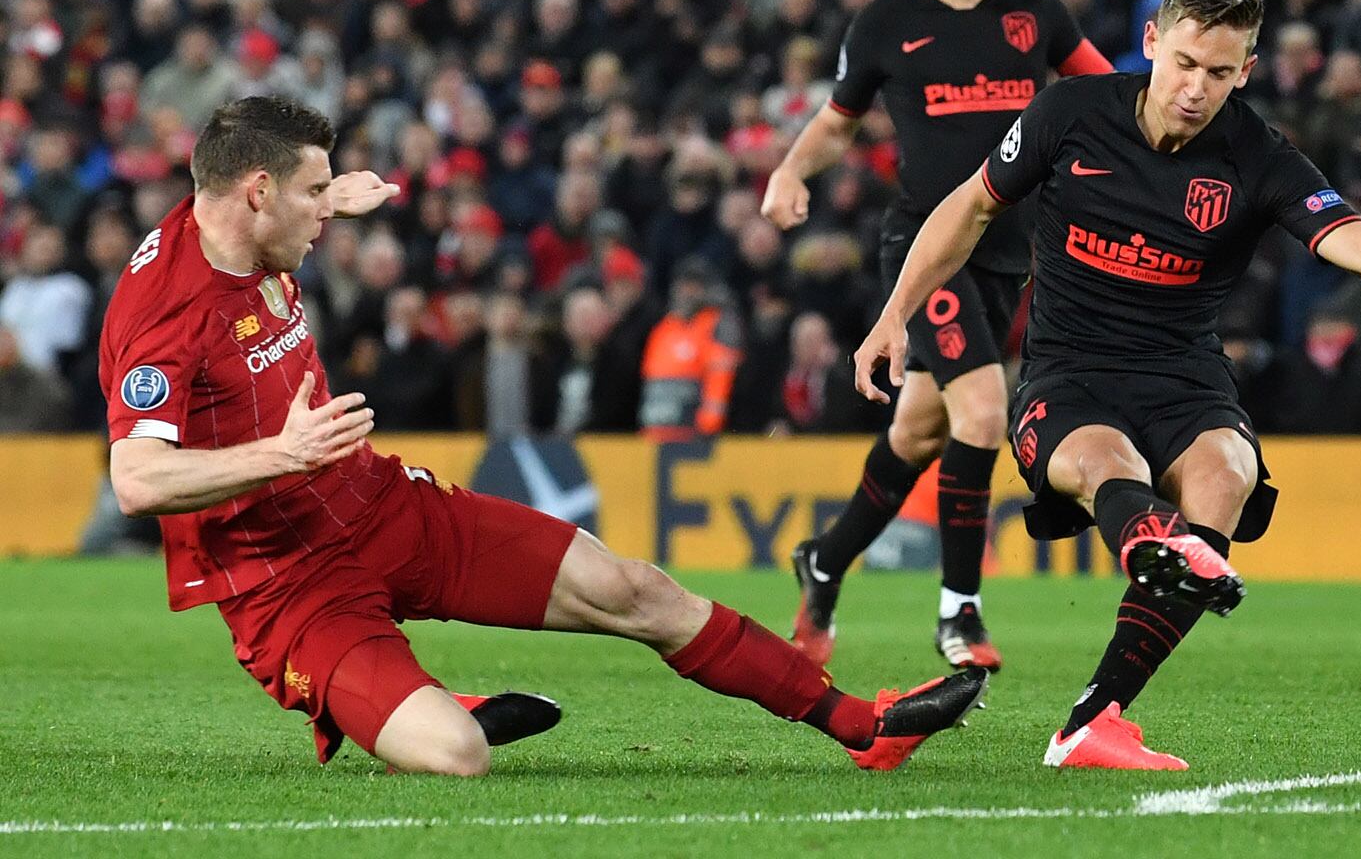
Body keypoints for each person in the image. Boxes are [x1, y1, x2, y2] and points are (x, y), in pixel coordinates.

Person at [100, 96, 985, 777]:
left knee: (631, 587)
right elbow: (139, 480)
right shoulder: (165, 316)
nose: (324, 213)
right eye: (310, 195)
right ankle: (411, 706)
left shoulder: (245, 228)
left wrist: (337, 194)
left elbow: (280, 218)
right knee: (455, 755)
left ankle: (861, 726)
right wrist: (284, 456)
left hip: (378, 508)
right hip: (285, 586)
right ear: (256, 193)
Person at [854, 0, 1361, 770]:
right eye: (1183, 63)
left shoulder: (1256, 154)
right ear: (1151, 42)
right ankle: (1153, 537)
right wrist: (893, 317)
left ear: (1246, 70)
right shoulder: (1069, 114)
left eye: (1220, 72)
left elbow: (1356, 239)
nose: (1196, 87)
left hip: (1183, 377)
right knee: (1106, 461)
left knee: (1227, 471)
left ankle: (1092, 718)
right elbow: (969, 207)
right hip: (1067, 378)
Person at [765, 0, 1109, 672]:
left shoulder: (1036, 14)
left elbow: (1110, 93)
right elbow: (837, 122)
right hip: (925, 250)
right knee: (983, 413)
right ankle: (960, 611)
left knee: (919, 428)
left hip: (1008, 259)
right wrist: (788, 170)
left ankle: (824, 560)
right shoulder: (884, 24)